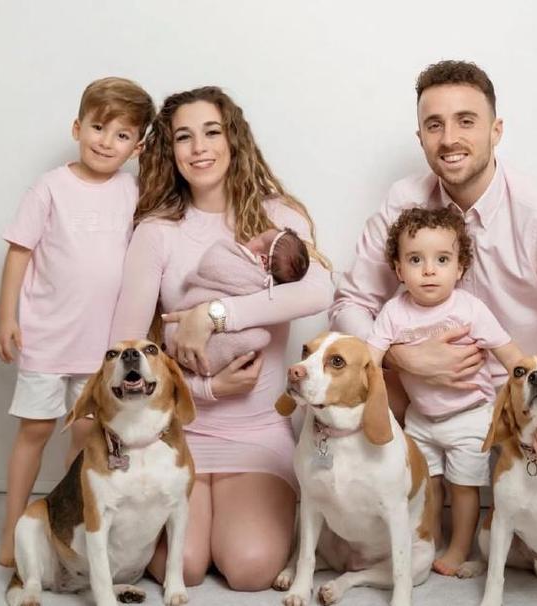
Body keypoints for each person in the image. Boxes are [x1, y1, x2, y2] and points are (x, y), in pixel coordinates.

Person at [330, 58, 537, 545]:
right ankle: (413, 513)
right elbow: (351, 300)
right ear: (420, 137)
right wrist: (400, 357)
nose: (449, 138)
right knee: (359, 374)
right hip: (428, 392)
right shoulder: (404, 200)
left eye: (466, 121)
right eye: (435, 124)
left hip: (523, 393)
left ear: (496, 130)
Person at [109, 86, 333, 590]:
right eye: (183, 137)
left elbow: (318, 290)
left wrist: (213, 315)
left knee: (250, 568)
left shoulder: (278, 217)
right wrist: (206, 389)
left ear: (233, 139)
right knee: (185, 566)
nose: (199, 148)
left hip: (257, 431)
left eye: (211, 132)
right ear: (170, 150)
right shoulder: (157, 231)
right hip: (175, 429)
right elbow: (125, 346)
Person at [0, 76, 155, 567]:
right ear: (76, 127)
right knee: (36, 431)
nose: (106, 142)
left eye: (122, 135)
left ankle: (70, 528)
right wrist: (6, 316)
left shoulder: (132, 191)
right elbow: (20, 252)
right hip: (45, 337)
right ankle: (13, 530)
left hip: (101, 346)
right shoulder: (50, 187)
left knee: (87, 438)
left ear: (137, 148)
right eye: (98, 127)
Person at [367, 207, 523, 575]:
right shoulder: (393, 312)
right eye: (415, 260)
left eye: (442, 259)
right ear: (398, 269)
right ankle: (430, 537)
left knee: (463, 486)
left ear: (460, 267)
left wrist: (530, 388)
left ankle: (459, 548)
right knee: (429, 484)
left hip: (470, 415)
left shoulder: (470, 309)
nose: (429, 270)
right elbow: (369, 361)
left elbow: (511, 357)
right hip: (421, 418)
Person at [166, 227, 311, 376]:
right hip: (182, 329)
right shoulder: (227, 259)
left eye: (257, 238)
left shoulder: (266, 290)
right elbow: (212, 263)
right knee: (257, 337)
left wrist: (211, 316)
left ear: (262, 259)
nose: (251, 237)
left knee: (254, 337)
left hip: (189, 342)